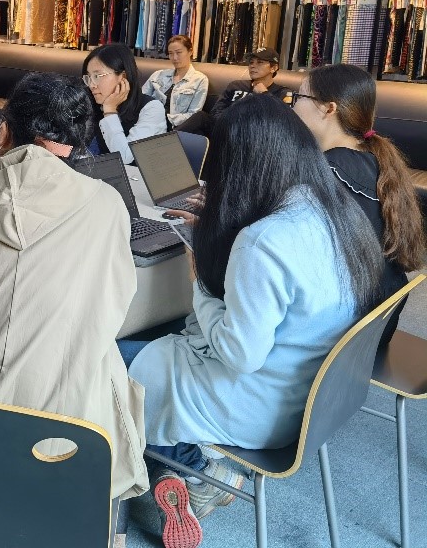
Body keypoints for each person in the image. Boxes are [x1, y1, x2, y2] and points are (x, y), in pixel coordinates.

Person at [125, 94, 383, 548]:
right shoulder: (334, 209)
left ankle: (191, 467)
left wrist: (201, 282)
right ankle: (185, 464)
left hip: (258, 405)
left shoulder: (263, 240)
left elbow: (239, 355)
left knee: (107, 363)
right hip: (311, 397)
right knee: (158, 344)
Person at [0, 72, 149, 501]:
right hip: (58, 444)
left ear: (5, 130)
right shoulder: (106, 205)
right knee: (100, 354)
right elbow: (114, 303)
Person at [292, 63, 426, 348]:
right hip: (373, 327)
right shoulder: (377, 162)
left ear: (328, 108)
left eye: (299, 97)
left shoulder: (325, 175)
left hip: (337, 333)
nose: (292, 106)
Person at [83, 43, 168, 164]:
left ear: (123, 77)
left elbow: (125, 156)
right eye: (88, 77)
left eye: (97, 76)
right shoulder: (92, 103)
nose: (92, 85)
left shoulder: (152, 108)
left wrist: (110, 111)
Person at [177, 48, 290, 136]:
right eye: (251, 62)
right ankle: (169, 146)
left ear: (273, 68)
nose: (253, 66)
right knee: (200, 119)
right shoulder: (236, 86)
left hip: (253, 135)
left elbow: (281, 123)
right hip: (226, 129)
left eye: (260, 62)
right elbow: (216, 112)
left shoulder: (282, 93)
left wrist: (264, 94)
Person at [141, 35, 210, 127]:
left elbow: (193, 115)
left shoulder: (200, 80)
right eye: (171, 53)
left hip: (174, 127)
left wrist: (165, 119)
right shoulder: (158, 75)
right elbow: (140, 100)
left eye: (179, 52)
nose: (175, 58)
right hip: (148, 122)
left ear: (190, 51)